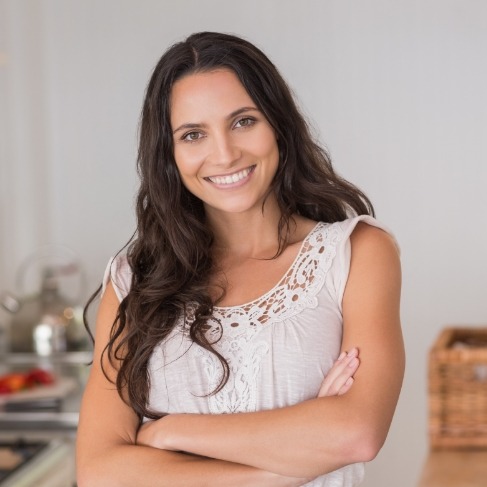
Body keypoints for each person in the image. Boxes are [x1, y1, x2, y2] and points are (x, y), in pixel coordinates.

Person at [76, 31, 404, 487]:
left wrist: (170, 432)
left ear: (278, 124)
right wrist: (282, 468)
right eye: (193, 134)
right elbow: (100, 472)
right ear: (169, 155)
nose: (225, 154)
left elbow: (357, 433)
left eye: (243, 121)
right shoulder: (135, 280)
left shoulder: (356, 253)